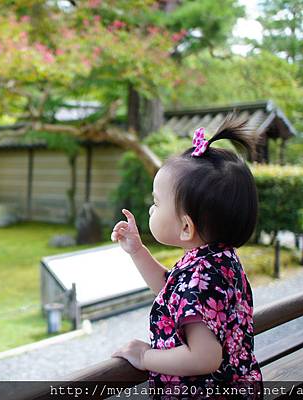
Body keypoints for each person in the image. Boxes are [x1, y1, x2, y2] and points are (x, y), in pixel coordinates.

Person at [110, 114, 263, 399]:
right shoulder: (217, 261)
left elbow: (204, 358)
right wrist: (138, 251)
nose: (151, 209)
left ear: (185, 227)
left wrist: (146, 357)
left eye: (156, 202)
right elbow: (173, 293)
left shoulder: (200, 277)